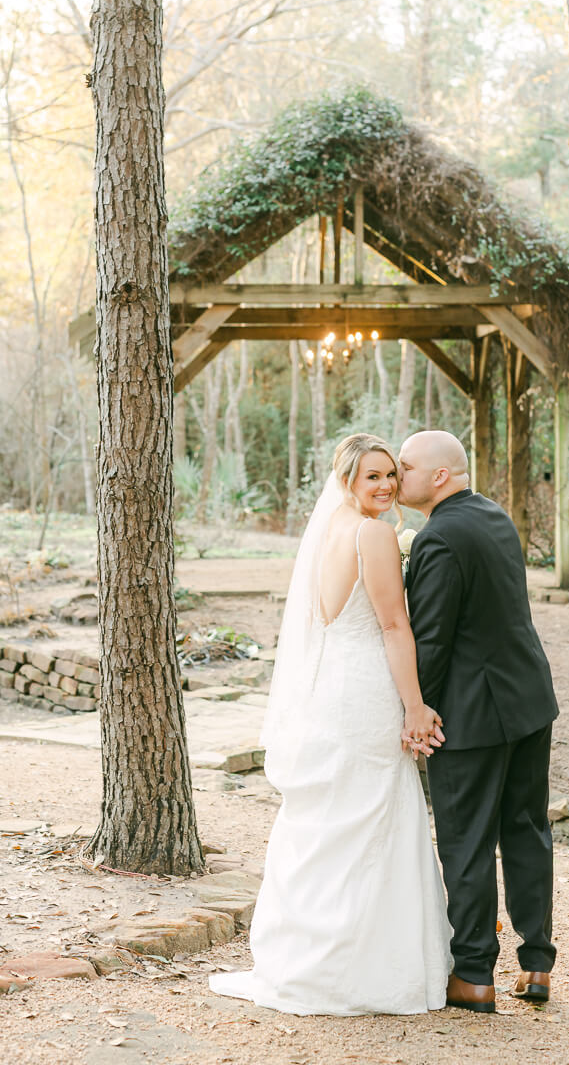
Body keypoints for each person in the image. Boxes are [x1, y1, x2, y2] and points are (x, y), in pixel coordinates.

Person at [209, 433, 452, 1016]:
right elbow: (395, 626)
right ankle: (363, 971)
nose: (387, 485)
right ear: (347, 481)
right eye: (373, 476)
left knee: (331, 820)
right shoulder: (371, 532)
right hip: (366, 690)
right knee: (369, 816)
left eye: (391, 474)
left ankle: (312, 959)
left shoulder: (330, 532)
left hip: (331, 691)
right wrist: (415, 706)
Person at [398, 429, 559, 1015]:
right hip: (529, 701)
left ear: (441, 475)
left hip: (471, 716)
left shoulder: (439, 536)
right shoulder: (494, 516)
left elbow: (432, 639)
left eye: (407, 466)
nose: (397, 476)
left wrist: (418, 712)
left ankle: (472, 976)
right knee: (526, 830)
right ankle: (537, 964)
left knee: (466, 842)